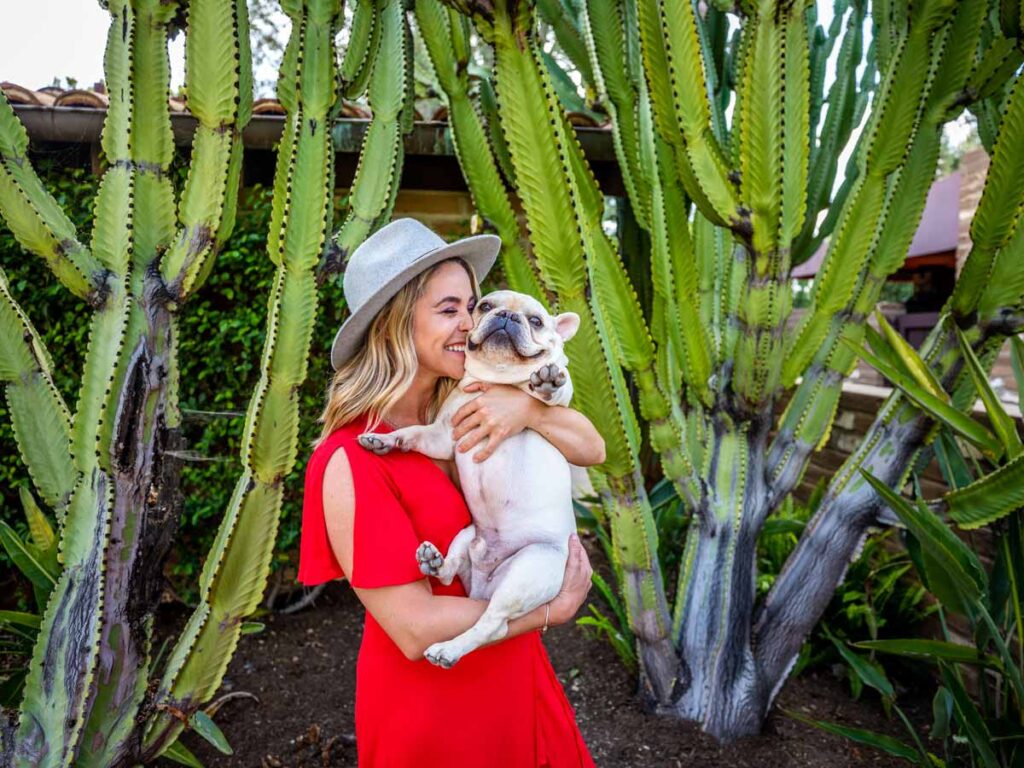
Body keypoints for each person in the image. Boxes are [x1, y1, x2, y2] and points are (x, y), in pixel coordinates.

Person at [298, 218, 603, 767]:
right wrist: (549, 611)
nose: (469, 324)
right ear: (394, 326)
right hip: (435, 712)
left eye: (471, 306)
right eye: (448, 310)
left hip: (517, 675)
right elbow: (413, 628)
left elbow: (591, 444)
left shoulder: (476, 410)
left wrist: (530, 408)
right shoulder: (352, 459)